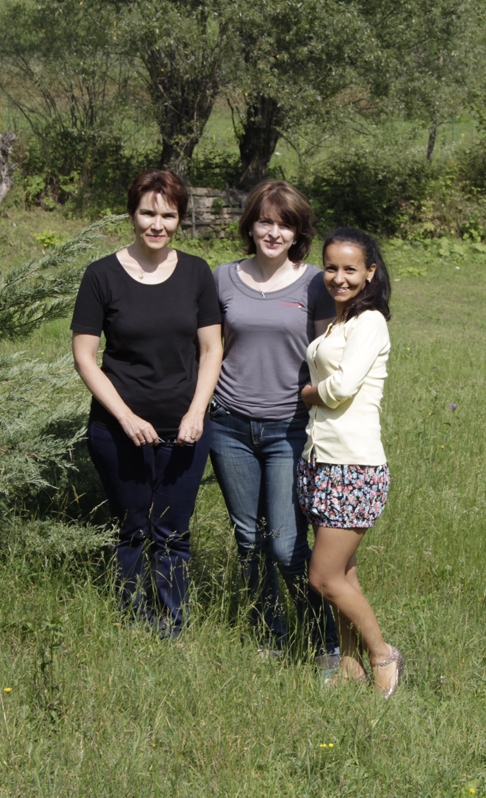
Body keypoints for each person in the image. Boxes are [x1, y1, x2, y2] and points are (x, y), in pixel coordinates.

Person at [71, 169, 222, 638]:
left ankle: (173, 624)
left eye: (168, 215)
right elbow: (84, 357)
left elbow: (211, 350)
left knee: (173, 531)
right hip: (119, 430)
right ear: (132, 214)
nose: (157, 224)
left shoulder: (197, 273)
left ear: (179, 219)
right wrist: (126, 417)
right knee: (133, 527)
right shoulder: (101, 275)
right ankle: (133, 620)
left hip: (186, 430)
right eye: (147, 213)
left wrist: (197, 411)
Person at [209, 179, 339, 665]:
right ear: (250, 225)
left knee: (286, 546)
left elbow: (329, 358)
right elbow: (209, 349)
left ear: (298, 233)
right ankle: (270, 635)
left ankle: (323, 641)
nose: (273, 232)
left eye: (285, 224)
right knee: (249, 540)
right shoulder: (223, 278)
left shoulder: (315, 284)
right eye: (265, 221)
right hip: (229, 426)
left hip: (289, 429)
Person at [298, 227, 404, 697]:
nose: (339, 277)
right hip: (322, 460)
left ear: (370, 272)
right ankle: (348, 663)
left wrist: (306, 393)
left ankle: (382, 654)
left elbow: (340, 389)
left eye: (350, 269)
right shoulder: (340, 322)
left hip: (353, 468)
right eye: (331, 268)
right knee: (344, 575)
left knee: (322, 577)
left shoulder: (369, 322)